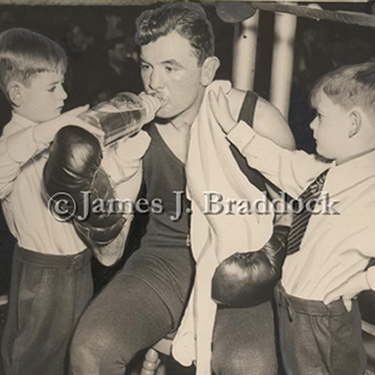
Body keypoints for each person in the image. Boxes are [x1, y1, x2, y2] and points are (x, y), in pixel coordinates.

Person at [69, 3, 295, 375]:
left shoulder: (255, 120)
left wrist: (269, 268)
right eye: (146, 66)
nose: (154, 83)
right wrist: (94, 203)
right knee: (90, 350)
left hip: (238, 261)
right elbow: (109, 254)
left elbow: (297, 214)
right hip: (165, 256)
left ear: (207, 70)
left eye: (170, 67)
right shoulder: (133, 130)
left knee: (246, 365)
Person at [209, 62, 375, 375]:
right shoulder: (325, 173)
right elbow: (281, 163)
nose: (311, 126)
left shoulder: (370, 195)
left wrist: (361, 282)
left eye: (321, 117)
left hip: (324, 317)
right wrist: (234, 128)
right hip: (292, 307)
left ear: (353, 124)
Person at [0, 28, 128, 375]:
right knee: (34, 362)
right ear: (16, 93)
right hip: (44, 273)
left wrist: (122, 159)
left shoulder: (60, 139)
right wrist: (53, 129)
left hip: (79, 266)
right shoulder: (13, 143)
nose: (65, 94)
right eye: (53, 88)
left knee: (73, 357)